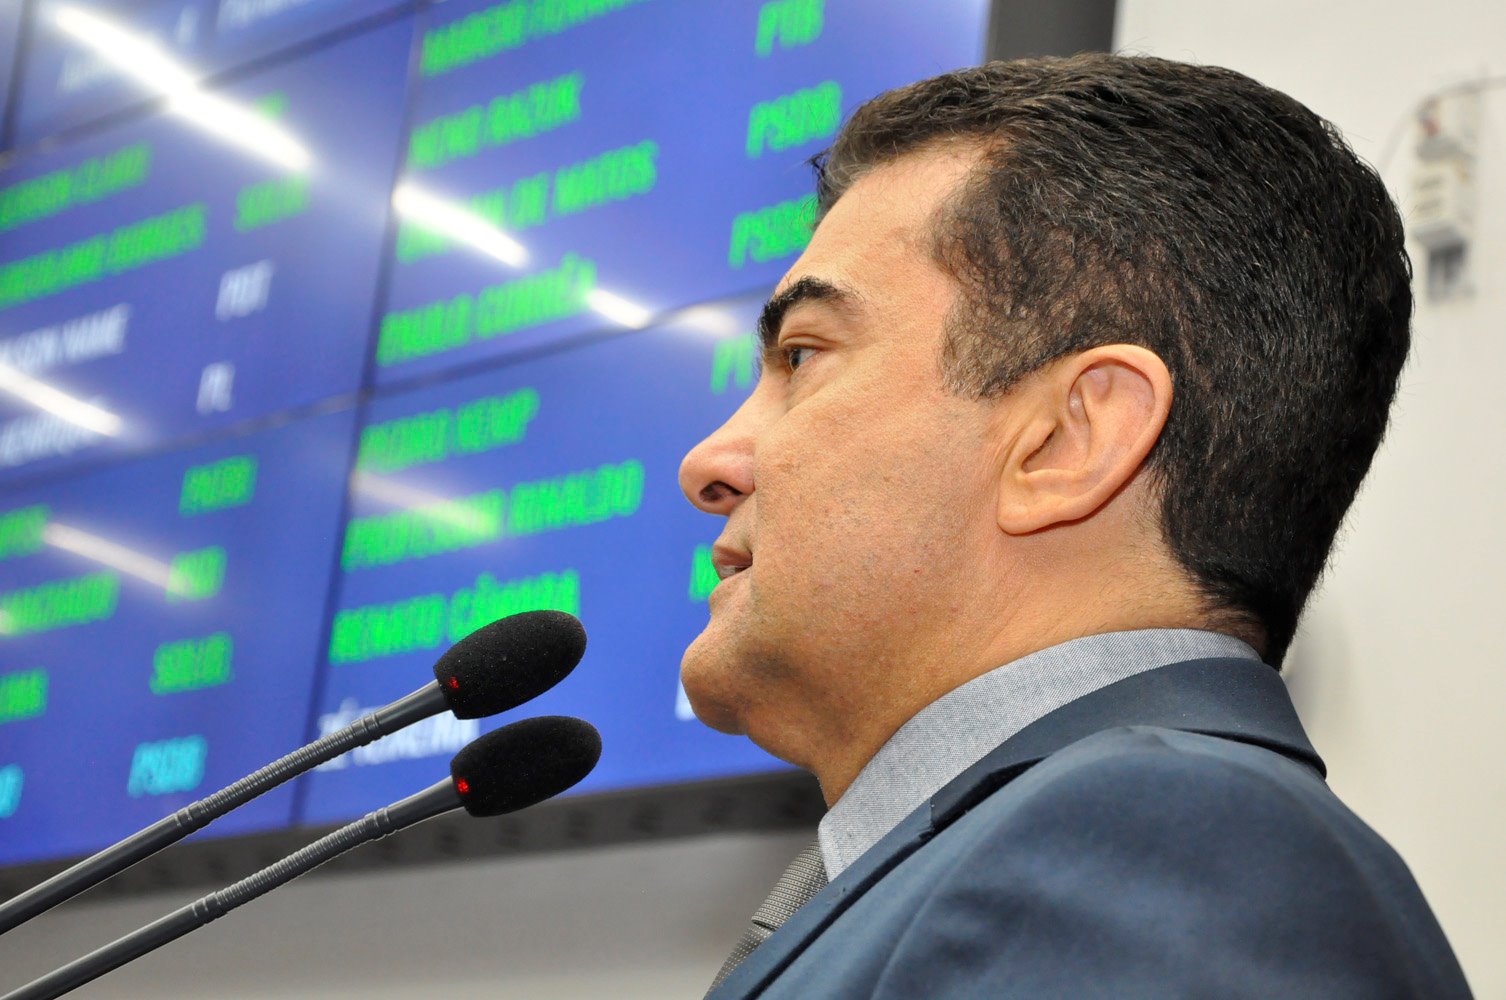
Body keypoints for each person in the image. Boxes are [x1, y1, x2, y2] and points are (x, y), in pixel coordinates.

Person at [677, 54, 1472, 998]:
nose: (708, 464)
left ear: (1069, 441)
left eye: (804, 357)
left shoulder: (1159, 840)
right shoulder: (1040, 854)